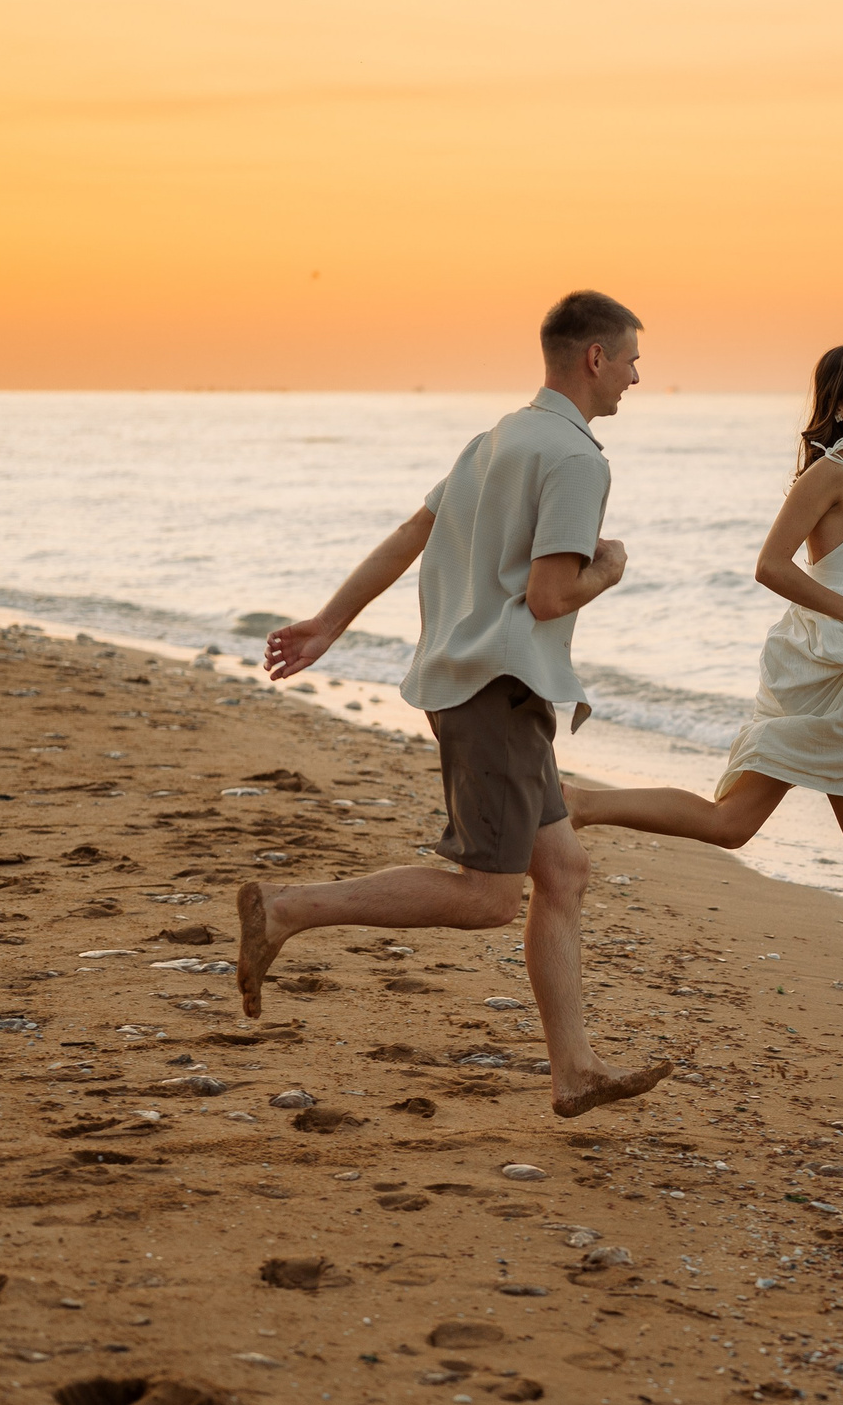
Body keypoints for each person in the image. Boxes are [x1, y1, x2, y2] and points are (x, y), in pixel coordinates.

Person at [238, 290, 671, 1118]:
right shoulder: (579, 459)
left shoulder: (496, 437)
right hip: (495, 690)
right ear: (594, 358)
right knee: (487, 896)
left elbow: (412, 534)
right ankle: (286, 910)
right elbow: (550, 596)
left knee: (565, 870)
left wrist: (331, 621)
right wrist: (609, 569)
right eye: (631, 359)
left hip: (471, 681)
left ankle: (574, 1071)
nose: (637, 376)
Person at [566, 344, 843, 1037]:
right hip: (829, 663)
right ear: (838, 403)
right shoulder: (832, 474)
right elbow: (771, 566)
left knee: (771, 828)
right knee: (809, 832)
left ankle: (582, 806)